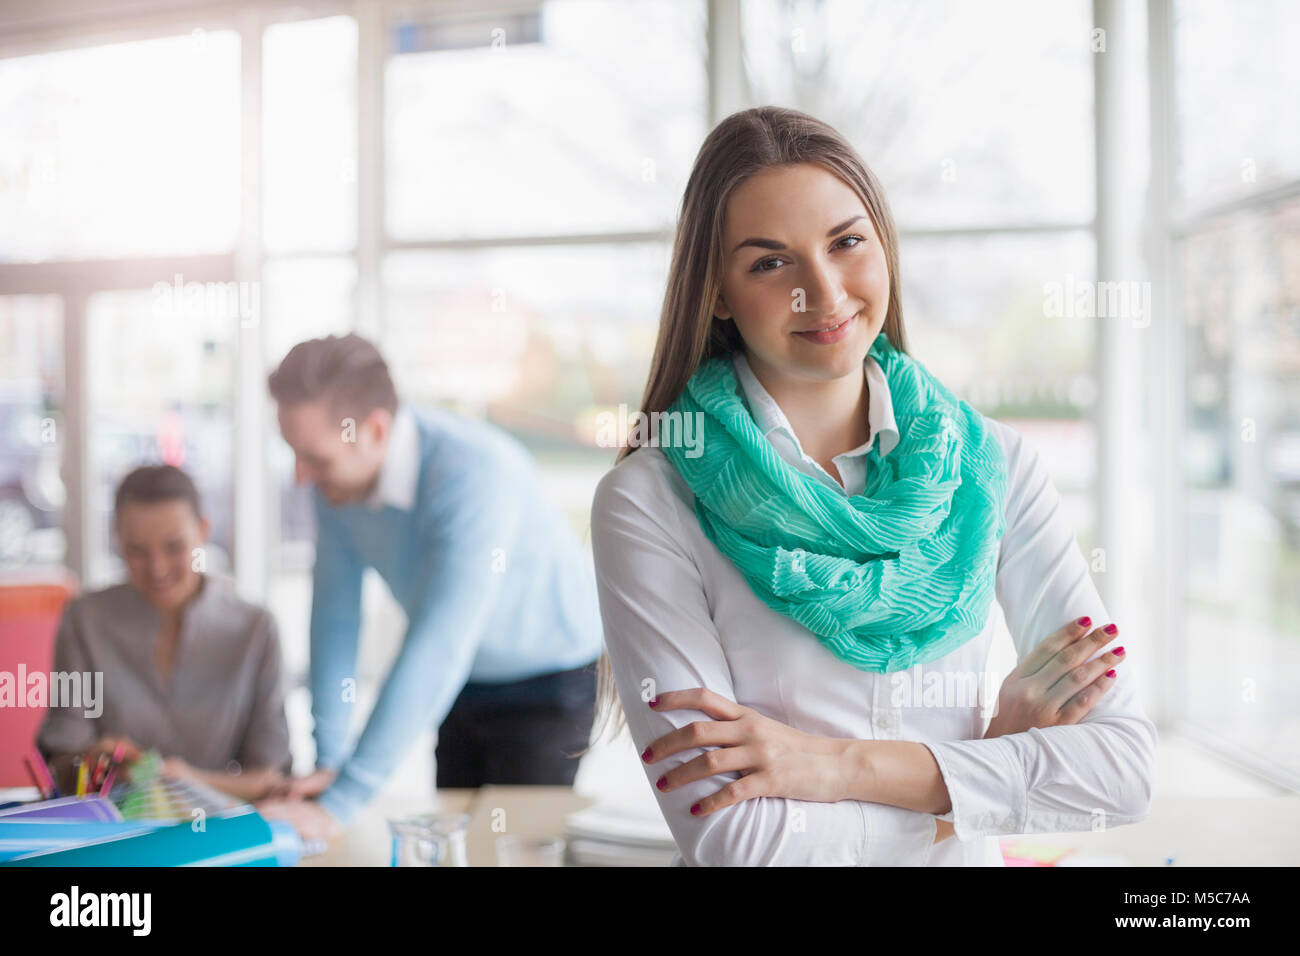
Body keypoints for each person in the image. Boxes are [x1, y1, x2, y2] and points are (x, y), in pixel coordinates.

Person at [588, 106, 1158, 866]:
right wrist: (982, 774)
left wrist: (832, 766)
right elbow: (737, 839)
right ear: (717, 291)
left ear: (882, 245)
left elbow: (1122, 773)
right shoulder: (650, 502)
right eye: (769, 263)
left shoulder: (994, 468)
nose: (822, 294)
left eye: (846, 242)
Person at [256, 333, 603, 840]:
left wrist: (343, 803)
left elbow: (438, 645)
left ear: (374, 429)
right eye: (293, 455)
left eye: (314, 458)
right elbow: (335, 619)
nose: (301, 476)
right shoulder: (332, 483)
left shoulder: (473, 475)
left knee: (513, 849)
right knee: (452, 844)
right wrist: (328, 765)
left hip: (548, 678)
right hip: (462, 680)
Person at [38, 464, 292, 801]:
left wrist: (185, 779)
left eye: (174, 547)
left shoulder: (255, 630)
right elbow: (60, 765)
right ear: (118, 539)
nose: (157, 568)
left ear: (203, 530)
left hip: (219, 835)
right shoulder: (84, 620)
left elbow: (270, 776)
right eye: (137, 551)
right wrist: (97, 760)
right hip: (114, 836)